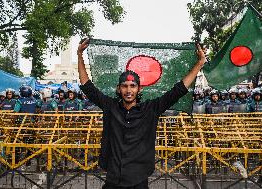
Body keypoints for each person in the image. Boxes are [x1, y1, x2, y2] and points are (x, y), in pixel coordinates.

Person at [77, 38, 206, 188]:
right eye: (124, 86)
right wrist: (80, 55)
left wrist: (200, 63)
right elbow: (87, 86)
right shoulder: (110, 106)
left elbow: (179, 90)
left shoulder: (151, 109)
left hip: (138, 180)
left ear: (139, 89)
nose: (128, 90)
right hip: (113, 179)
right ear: (119, 89)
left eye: (133, 86)